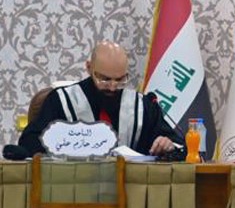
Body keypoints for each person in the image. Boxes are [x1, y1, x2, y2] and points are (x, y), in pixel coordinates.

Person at [19, 41, 183, 156]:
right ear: (89, 68)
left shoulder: (142, 106)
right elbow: (29, 142)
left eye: (120, 80)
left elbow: (178, 145)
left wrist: (167, 144)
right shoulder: (61, 101)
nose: (112, 87)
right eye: (105, 79)